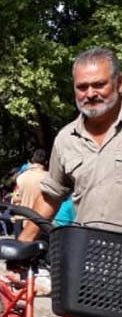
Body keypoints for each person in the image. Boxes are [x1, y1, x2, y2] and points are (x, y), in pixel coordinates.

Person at [20, 48, 122, 241]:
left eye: (99, 85)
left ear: (119, 83)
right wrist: (24, 242)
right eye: (82, 87)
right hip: (88, 257)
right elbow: (51, 195)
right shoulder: (66, 138)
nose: (90, 94)